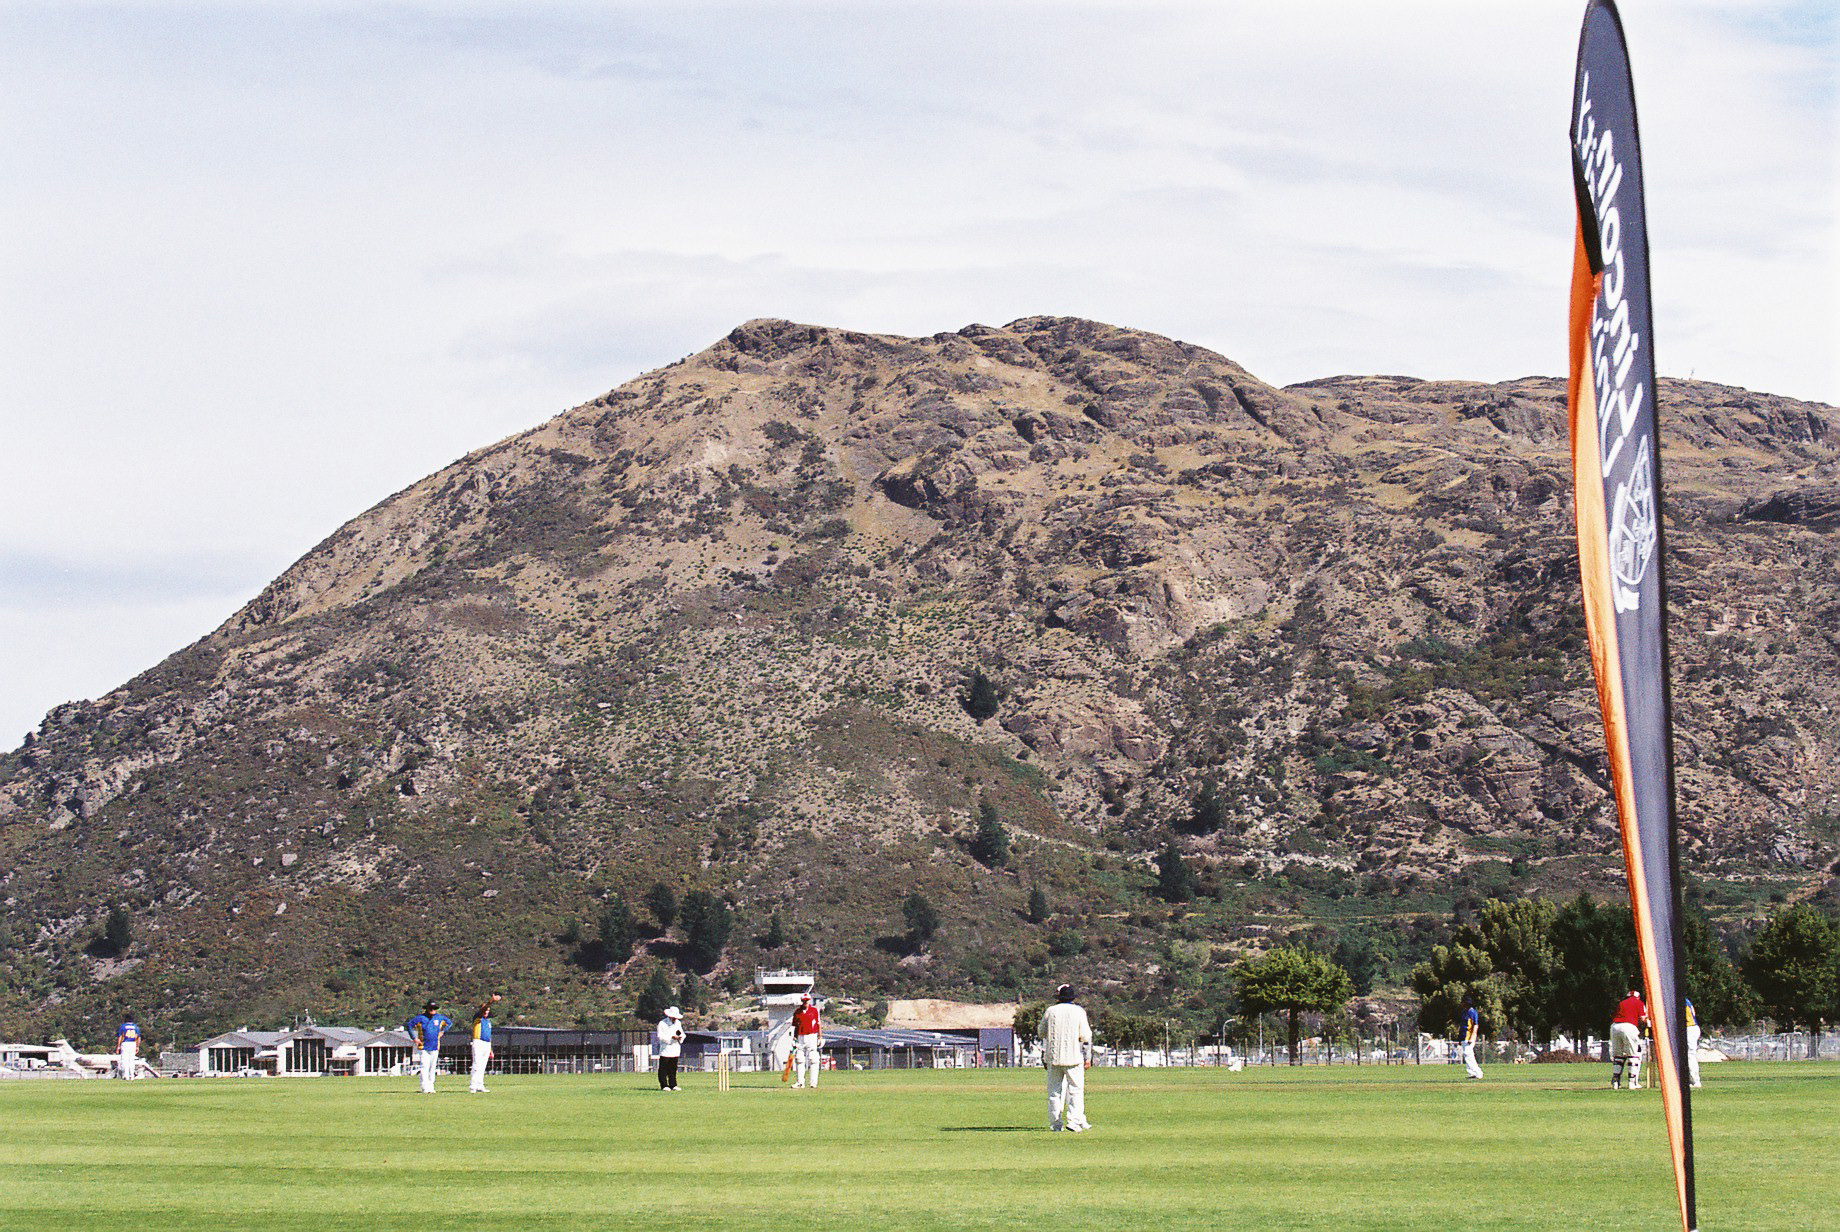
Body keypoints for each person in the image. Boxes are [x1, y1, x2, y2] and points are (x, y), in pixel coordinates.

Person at [1039, 984, 1093, 1132]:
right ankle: (1074, 1121)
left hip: (1053, 1058)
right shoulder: (1078, 1011)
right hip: (1073, 1058)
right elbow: (1085, 1036)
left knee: (1054, 1092)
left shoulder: (1050, 1011)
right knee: (1075, 1090)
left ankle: (1056, 1124)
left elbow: (1041, 1032)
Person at [405, 1001, 453, 1094]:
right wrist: (414, 1038)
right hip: (423, 1046)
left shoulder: (439, 1018)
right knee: (424, 1067)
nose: (432, 1010)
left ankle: (431, 1086)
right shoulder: (420, 1018)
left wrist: (443, 1031)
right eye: (430, 1008)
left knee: (432, 1068)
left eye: (434, 1008)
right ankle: (424, 1086)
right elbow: (409, 1025)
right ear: (427, 1008)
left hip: (435, 1046)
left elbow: (449, 1023)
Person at [1609, 985, 1648, 1090]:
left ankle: (1616, 1082)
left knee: (1619, 1056)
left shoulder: (1621, 1003)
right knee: (1633, 1055)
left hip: (1615, 1027)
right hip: (1629, 1027)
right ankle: (1632, 1082)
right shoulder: (1639, 1003)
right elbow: (1643, 1019)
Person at [469, 994, 501, 1093]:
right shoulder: (477, 1018)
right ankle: (473, 1086)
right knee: (477, 1064)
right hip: (478, 1042)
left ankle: (480, 1084)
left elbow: (488, 1036)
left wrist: (490, 1049)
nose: (486, 1012)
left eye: (488, 1011)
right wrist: (491, 1001)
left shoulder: (488, 1022)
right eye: (485, 1010)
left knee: (483, 1066)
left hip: (486, 1044)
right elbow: (483, 1009)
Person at [791, 992, 823, 1089]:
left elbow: (818, 1024)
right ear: (802, 1001)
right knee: (799, 1059)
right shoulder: (797, 1012)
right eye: (804, 1001)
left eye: (807, 1000)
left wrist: (819, 1037)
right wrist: (794, 1038)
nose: (805, 1002)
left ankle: (813, 1082)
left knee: (813, 1058)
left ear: (809, 1000)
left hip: (812, 1036)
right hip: (801, 1037)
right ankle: (800, 1082)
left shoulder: (814, 1011)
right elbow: (795, 1026)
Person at [655, 1006, 685, 1091]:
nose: (675, 1019)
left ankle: (673, 1084)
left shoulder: (678, 1023)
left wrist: (680, 1037)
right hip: (665, 1049)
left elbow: (682, 1033)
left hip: (675, 1048)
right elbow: (660, 1036)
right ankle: (664, 1085)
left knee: (673, 1068)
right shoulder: (662, 1023)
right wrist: (671, 1037)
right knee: (663, 1069)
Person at [1460, 995, 1484, 1080]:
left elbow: (1475, 1025)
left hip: (1469, 1037)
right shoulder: (1464, 1012)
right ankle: (1472, 1073)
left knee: (1468, 1054)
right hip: (1464, 1037)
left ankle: (1478, 1073)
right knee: (1467, 1055)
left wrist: (1472, 1037)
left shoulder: (1472, 1012)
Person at [116, 1012, 141, 1081]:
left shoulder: (123, 1026)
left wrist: (118, 1046)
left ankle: (125, 1075)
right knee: (131, 1060)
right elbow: (138, 1037)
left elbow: (120, 1036)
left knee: (125, 1060)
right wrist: (137, 1046)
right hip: (133, 1043)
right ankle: (132, 1076)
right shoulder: (136, 1027)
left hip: (125, 1043)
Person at [1684, 996, 1702, 1089]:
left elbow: (1688, 1018)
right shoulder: (1685, 1000)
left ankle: (1695, 1080)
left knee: (1690, 1055)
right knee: (1688, 1056)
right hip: (1691, 1028)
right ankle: (1691, 1080)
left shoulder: (1682, 1001)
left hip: (1690, 1028)